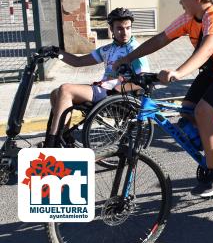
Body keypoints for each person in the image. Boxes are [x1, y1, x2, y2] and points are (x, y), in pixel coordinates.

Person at [114, 0, 213, 197]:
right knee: (188, 109)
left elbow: (208, 47)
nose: (180, 2)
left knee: (203, 111)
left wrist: (179, 72)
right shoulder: (189, 17)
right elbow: (161, 39)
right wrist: (127, 58)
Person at [44, 8, 149, 147]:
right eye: (119, 28)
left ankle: (52, 142)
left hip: (117, 95)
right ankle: (64, 136)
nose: (124, 33)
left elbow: (144, 80)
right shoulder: (107, 49)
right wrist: (57, 52)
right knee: (55, 94)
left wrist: (119, 88)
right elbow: (78, 62)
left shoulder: (134, 50)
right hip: (103, 89)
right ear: (111, 29)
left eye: (128, 28)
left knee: (65, 89)